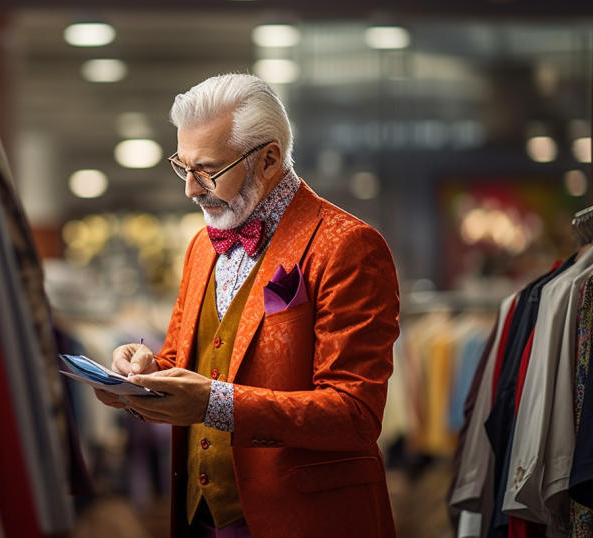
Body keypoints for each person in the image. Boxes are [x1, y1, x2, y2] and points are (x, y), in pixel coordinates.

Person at [94, 73, 400, 538]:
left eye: (208, 170)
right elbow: (185, 359)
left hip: (304, 519)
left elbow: (355, 413)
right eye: (183, 167)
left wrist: (217, 403)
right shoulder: (201, 246)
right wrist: (142, 371)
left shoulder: (348, 246)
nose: (191, 190)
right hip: (199, 517)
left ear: (270, 158)